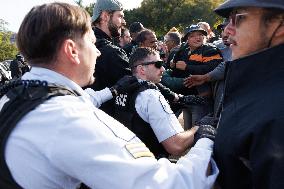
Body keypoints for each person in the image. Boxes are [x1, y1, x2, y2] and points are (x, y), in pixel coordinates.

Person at [0, 2, 219, 189]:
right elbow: (167, 184)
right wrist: (205, 140)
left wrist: (112, 91)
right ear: (71, 50)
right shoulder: (69, 119)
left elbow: (85, 99)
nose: (96, 52)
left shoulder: (14, 95)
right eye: (93, 45)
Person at [213, 0, 284, 188]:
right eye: (229, 20)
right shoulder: (257, 82)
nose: (227, 30)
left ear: (280, 25)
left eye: (239, 18)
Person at [114, 47, 211, 159]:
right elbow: (176, 145)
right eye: (158, 64)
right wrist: (201, 127)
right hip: (149, 166)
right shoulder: (150, 96)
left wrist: (179, 98)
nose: (163, 69)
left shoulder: (123, 87)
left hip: (127, 160)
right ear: (141, 69)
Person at [89, 0, 132, 116]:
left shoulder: (84, 44)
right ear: (105, 16)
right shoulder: (111, 52)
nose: (123, 21)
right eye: (120, 16)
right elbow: (135, 82)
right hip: (105, 119)